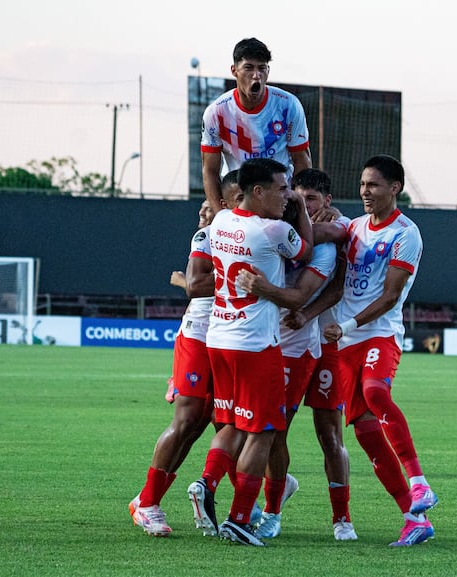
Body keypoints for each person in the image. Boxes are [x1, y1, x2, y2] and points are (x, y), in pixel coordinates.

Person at [187, 157, 313, 547]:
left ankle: (206, 482)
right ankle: (240, 518)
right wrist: (304, 210)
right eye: (281, 188)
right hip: (257, 344)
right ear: (257, 192)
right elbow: (305, 251)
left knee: (231, 425)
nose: (287, 195)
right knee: (264, 431)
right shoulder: (273, 230)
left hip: (220, 340)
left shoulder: (221, 222)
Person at [318, 154, 438, 547]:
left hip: (378, 333)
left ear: (394, 188)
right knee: (368, 435)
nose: (365, 192)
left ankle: (419, 483)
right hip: (346, 343)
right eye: (362, 184)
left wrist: (348, 325)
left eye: (373, 185)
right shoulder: (353, 228)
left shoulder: (407, 233)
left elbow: (390, 297)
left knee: (375, 391)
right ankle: (412, 518)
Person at [236, 169, 355, 541]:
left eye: (310, 200)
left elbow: (334, 287)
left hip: (324, 344)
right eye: (293, 197)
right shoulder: (273, 230)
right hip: (285, 345)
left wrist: (306, 313)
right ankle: (272, 512)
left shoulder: (332, 236)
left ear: (327, 202)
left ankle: (342, 518)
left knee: (330, 434)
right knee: (274, 431)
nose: (297, 204)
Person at [130, 173, 243, 537]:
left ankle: (242, 498)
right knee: (187, 419)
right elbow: (195, 285)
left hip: (231, 338)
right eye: (238, 196)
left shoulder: (256, 232)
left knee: (215, 425)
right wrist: (244, 275)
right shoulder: (208, 233)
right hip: (199, 333)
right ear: (225, 201)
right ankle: (147, 503)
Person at [200, 37, 311, 214]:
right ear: (234, 70)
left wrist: (297, 208)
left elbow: (302, 160)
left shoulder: (289, 105)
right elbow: (209, 170)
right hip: (239, 199)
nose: (256, 75)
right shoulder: (216, 112)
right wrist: (220, 216)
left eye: (262, 68)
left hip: (279, 199)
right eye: (249, 68)